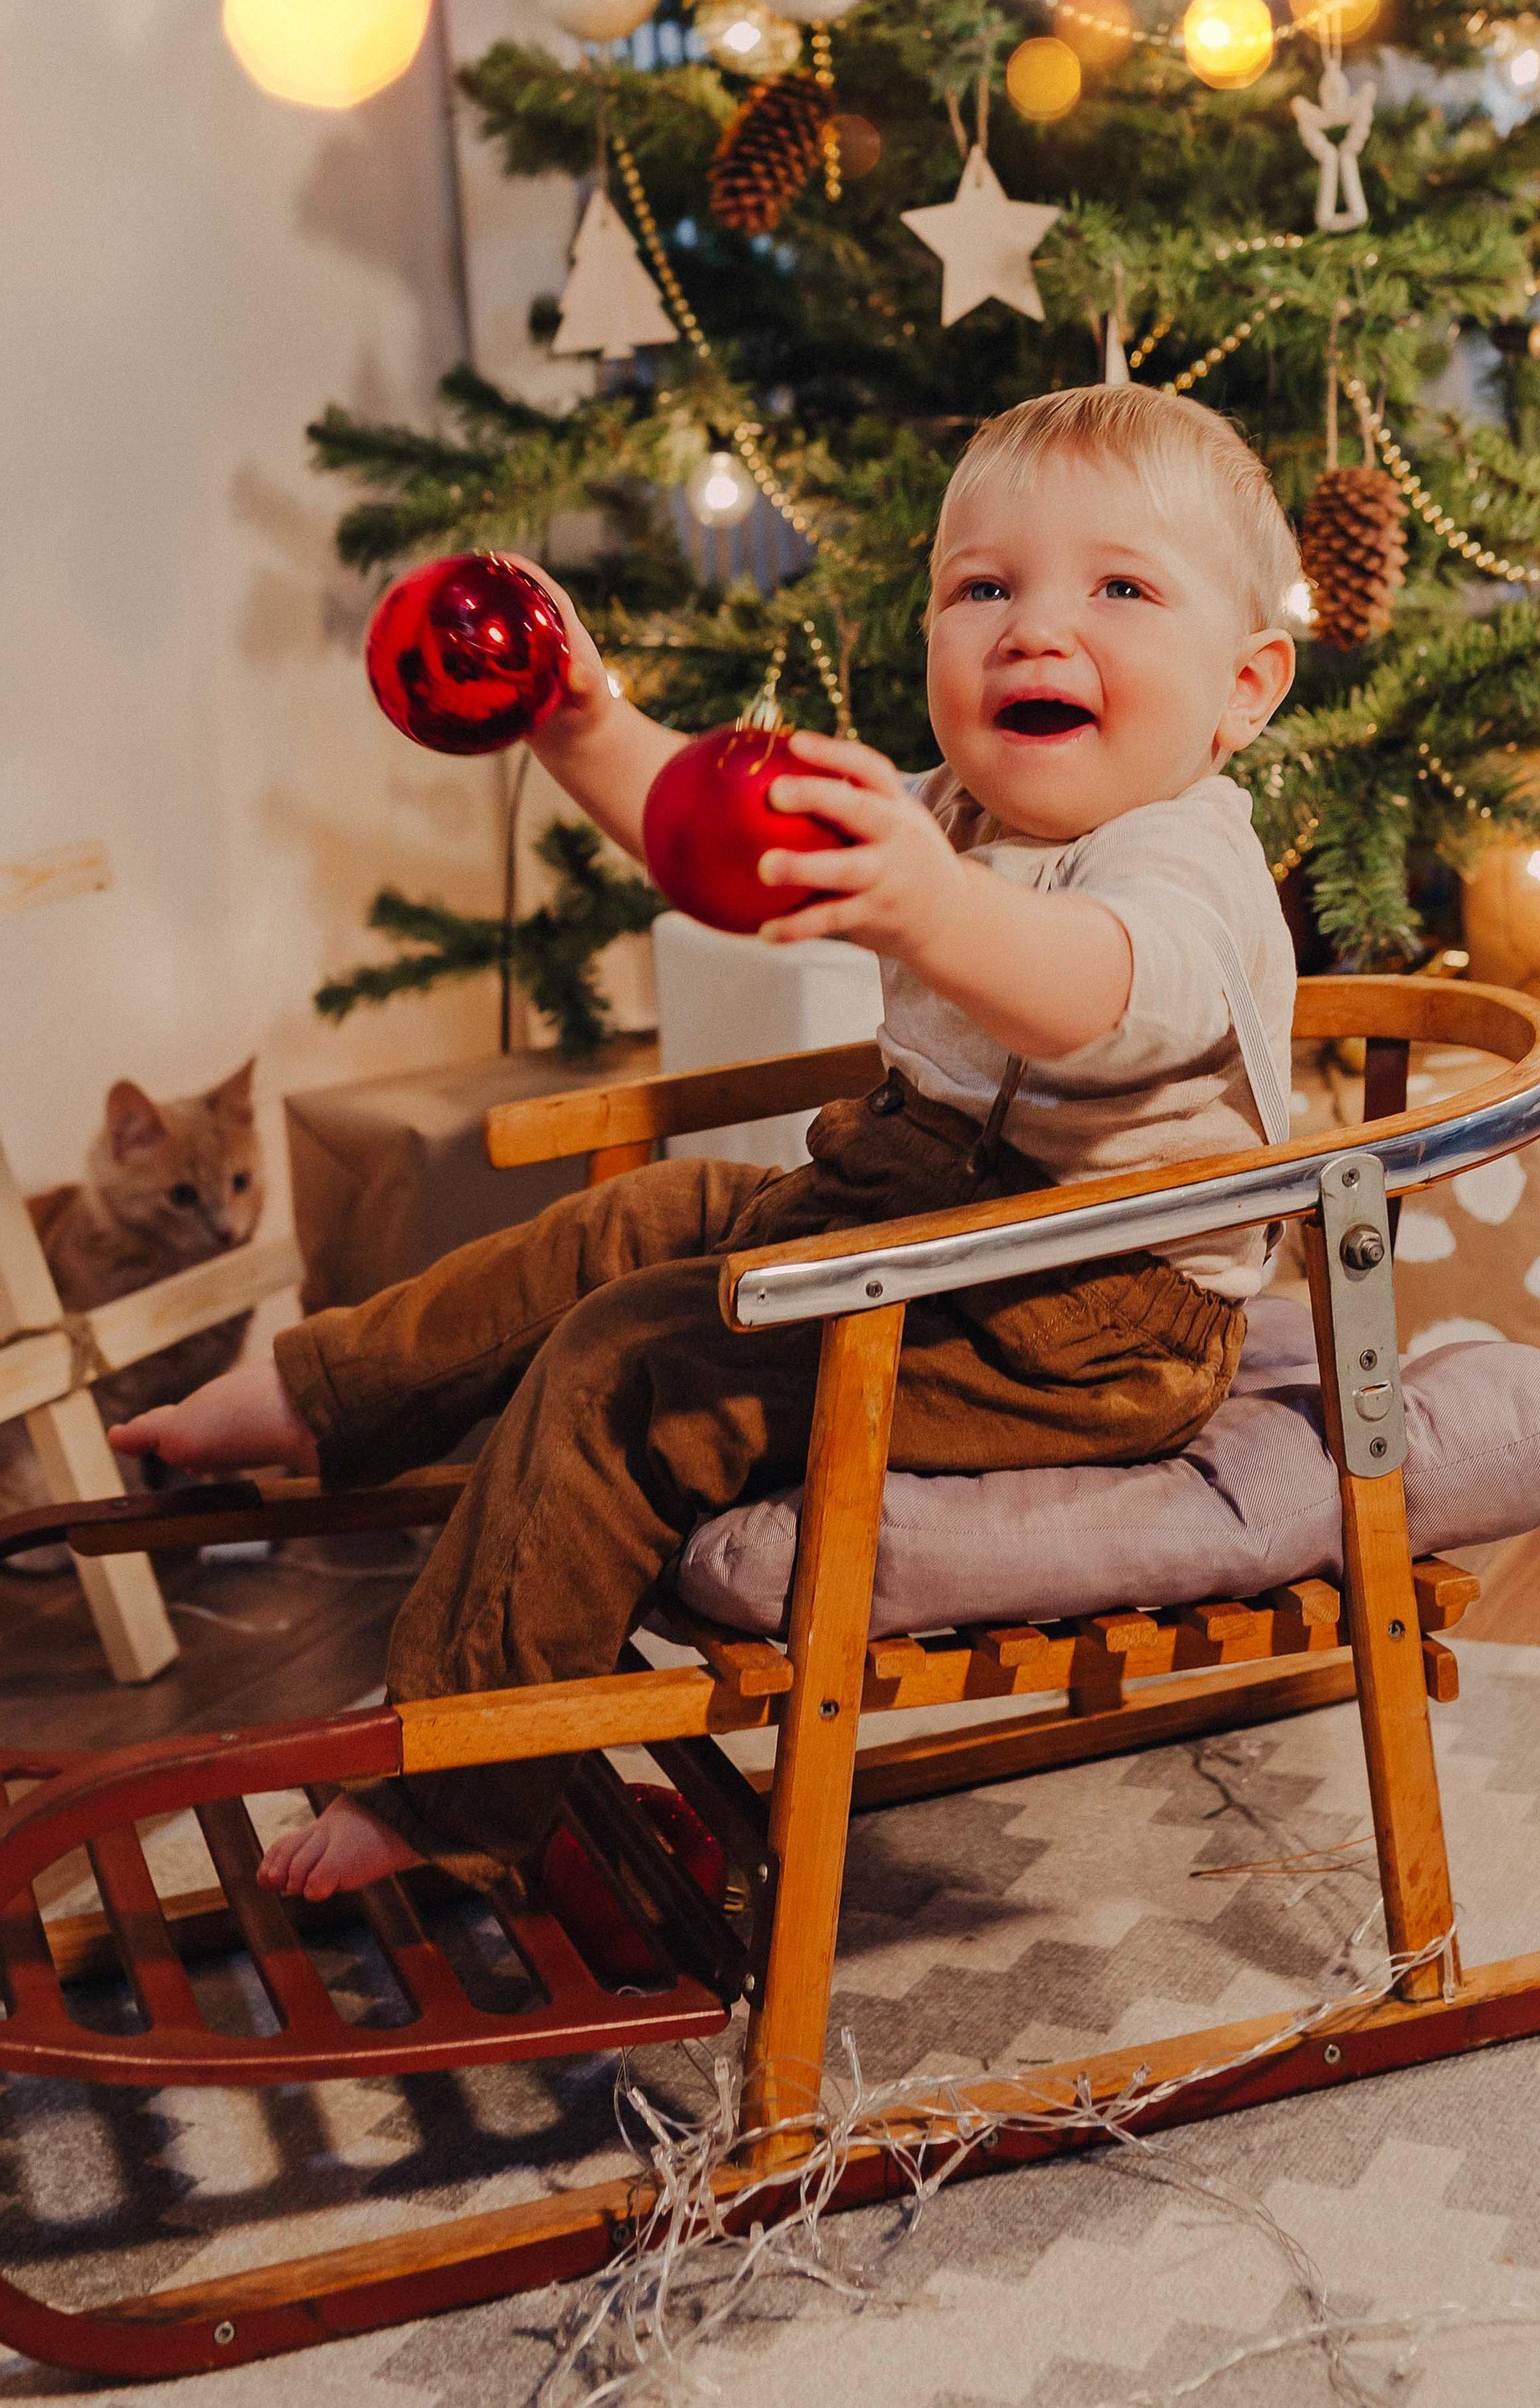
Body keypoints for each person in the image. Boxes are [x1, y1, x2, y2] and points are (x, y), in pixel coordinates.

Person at [114, 384, 1302, 1901]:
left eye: (1121, 589)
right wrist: (582, 718)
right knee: (639, 1221)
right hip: (927, 1213)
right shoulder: (945, 811)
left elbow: (1112, 1001)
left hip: (1086, 1314)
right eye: (982, 586)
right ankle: (324, 1392)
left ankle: (460, 1802)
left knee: (631, 1363)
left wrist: (934, 910)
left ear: (1244, 686)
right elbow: (706, 830)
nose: (1033, 629)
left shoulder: (1182, 848)